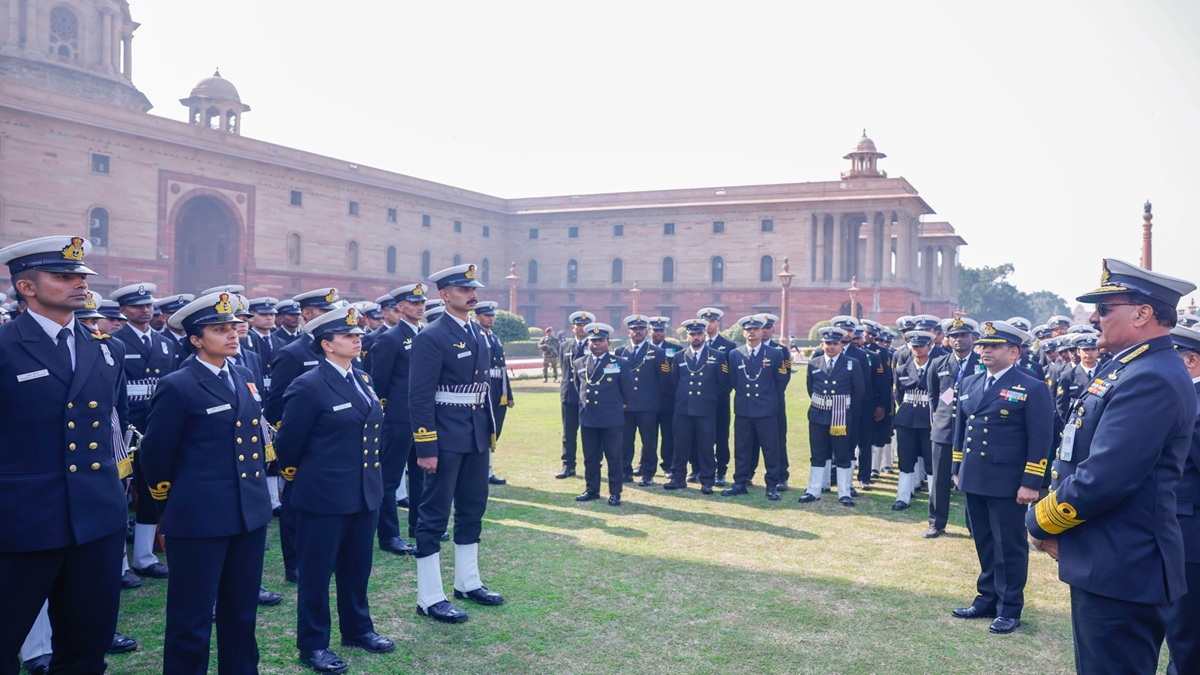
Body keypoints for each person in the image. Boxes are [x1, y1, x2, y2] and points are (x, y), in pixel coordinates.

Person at [1026, 260, 1197, 671]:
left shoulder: (1151, 376)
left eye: (1104, 308)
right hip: (1108, 558)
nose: (1092, 317)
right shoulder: (1131, 366)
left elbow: (1104, 477)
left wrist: (1039, 521)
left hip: (1125, 564)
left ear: (1142, 314)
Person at [0, 236, 129, 675]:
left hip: (96, 520)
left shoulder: (105, 349)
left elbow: (111, 426)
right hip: (22, 522)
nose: (79, 284)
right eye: (63, 276)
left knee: (86, 648)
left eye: (81, 276)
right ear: (27, 288)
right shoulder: (5, 346)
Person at [139, 291, 274, 673]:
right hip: (199, 516)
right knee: (192, 619)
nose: (232, 335)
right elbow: (155, 455)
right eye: (219, 329)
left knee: (241, 611)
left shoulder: (244, 374)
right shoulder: (178, 384)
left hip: (248, 512)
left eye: (233, 327)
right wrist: (173, 504)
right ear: (196, 339)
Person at [275, 306, 395, 673]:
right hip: (324, 495)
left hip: (363, 492)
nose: (357, 339)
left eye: (358, 334)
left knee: (357, 568)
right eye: (347, 336)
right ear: (326, 344)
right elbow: (288, 445)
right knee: (315, 574)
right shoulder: (308, 385)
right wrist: (304, 481)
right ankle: (313, 644)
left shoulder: (362, 377)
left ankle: (358, 629)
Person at [409, 264, 504, 623]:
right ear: (445, 295)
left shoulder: (478, 334)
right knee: (433, 516)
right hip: (445, 438)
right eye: (464, 290)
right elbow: (418, 397)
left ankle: (468, 581)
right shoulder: (431, 337)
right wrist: (426, 447)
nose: (472, 294)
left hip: (475, 435)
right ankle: (429, 596)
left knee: (472, 509)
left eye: (473, 289)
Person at [951, 321, 1053, 635]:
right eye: (982, 346)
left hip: (1008, 482)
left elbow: (1041, 438)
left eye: (993, 347)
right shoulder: (969, 382)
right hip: (975, 477)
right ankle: (986, 598)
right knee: (982, 539)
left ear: (1013, 351)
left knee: (1009, 546)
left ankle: (1010, 608)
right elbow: (961, 431)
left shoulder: (1031, 386)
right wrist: (957, 469)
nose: (984, 351)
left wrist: (1031, 482)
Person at [265, 288, 342, 583]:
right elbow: (277, 404)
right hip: (302, 441)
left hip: (332, 441)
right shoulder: (292, 353)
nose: (332, 318)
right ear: (307, 314)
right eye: (325, 312)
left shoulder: (340, 348)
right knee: (295, 503)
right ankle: (293, 562)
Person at [110, 281, 179, 580]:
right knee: (121, 494)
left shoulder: (166, 343)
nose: (145, 310)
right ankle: (120, 564)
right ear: (123, 310)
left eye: (148, 305)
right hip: (129, 425)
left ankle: (144, 557)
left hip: (157, 424)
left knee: (152, 490)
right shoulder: (115, 341)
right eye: (138, 306)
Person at [368, 283, 427, 556]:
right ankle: (389, 535)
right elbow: (379, 383)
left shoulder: (426, 335)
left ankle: (419, 525)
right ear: (400, 307)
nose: (420, 306)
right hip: (397, 420)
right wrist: (386, 418)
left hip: (423, 418)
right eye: (413, 303)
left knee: (421, 474)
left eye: (422, 302)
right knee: (390, 479)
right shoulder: (389, 339)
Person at [925, 317, 980, 538]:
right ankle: (936, 523)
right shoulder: (939, 363)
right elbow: (933, 395)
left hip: (972, 429)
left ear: (973, 338)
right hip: (945, 428)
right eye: (954, 336)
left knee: (971, 480)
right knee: (939, 479)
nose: (958, 340)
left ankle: (974, 525)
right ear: (948, 339)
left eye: (963, 335)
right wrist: (939, 417)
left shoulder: (982, 363)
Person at [722, 315, 788, 501]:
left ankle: (772, 485)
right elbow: (733, 381)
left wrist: (768, 401)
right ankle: (740, 483)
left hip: (766, 410)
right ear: (744, 332)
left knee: (770, 448)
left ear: (761, 332)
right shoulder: (735, 354)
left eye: (755, 329)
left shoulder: (774, 354)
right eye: (748, 330)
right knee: (742, 448)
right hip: (744, 409)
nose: (752, 332)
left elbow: (780, 381)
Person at [1166, 325, 1200, 675]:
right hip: (1174, 524)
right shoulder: (1183, 397)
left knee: (1186, 631)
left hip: (1190, 531)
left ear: (1191, 361)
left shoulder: (1194, 404)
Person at [664, 319, 729, 494]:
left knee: (706, 446)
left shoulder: (717, 356)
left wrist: (709, 397)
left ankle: (707, 480)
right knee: (681, 445)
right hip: (683, 408)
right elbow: (674, 381)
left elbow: (722, 383)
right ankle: (678, 478)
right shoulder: (679, 356)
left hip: (705, 409)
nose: (695, 337)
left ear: (704, 335)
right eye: (692, 334)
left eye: (699, 334)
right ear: (687, 336)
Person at [801, 327, 864, 506]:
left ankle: (844, 492)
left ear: (841, 345)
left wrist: (843, 409)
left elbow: (858, 391)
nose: (831, 347)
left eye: (835, 343)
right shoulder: (814, 363)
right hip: (818, 414)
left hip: (841, 416)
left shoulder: (852, 363)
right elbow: (810, 387)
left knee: (843, 454)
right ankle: (814, 490)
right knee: (818, 453)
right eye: (828, 343)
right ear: (822, 344)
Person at [573, 322, 633, 505]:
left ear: (608, 342)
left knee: (614, 457)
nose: (596, 344)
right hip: (589, 417)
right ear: (588, 342)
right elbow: (579, 388)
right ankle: (592, 490)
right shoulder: (580, 363)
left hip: (611, 419)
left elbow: (628, 392)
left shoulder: (620, 363)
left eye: (600, 341)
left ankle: (615, 493)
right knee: (591, 457)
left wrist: (616, 408)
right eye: (593, 341)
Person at [617, 314, 669, 486]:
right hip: (626, 406)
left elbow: (664, 381)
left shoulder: (657, 352)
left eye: (640, 329)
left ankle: (648, 473)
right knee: (625, 441)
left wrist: (657, 405)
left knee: (649, 442)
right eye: (634, 329)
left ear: (647, 332)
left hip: (648, 406)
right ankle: (625, 471)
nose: (637, 332)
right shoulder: (620, 352)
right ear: (628, 332)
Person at [891, 330, 935, 511]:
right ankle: (903, 497)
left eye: (921, 346)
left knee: (931, 461)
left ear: (929, 346)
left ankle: (935, 499)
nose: (917, 349)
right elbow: (898, 394)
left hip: (929, 419)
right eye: (914, 346)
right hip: (907, 418)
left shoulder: (937, 367)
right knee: (906, 459)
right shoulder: (902, 369)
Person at [474, 301, 511, 486]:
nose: (491, 318)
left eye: (492, 315)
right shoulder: (476, 335)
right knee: (484, 431)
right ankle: (483, 471)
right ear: (477, 316)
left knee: (495, 431)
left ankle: (487, 470)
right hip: (483, 391)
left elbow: (502, 368)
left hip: (497, 391)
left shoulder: (493, 337)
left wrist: (508, 394)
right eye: (487, 315)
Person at [697, 308, 736, 486]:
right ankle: (698, 468)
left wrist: (719, 394)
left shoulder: (728, 346)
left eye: (712, 321)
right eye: (706, 321)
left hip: (720, 400)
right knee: (699, 435)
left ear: (718, 323)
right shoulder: (696, 342)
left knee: (721, 435)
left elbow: (730, 377)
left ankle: (721, 471)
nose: (709, 324)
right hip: (699, 400)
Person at [555, 311, 593, 479]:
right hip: (568, 395)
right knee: (568, 433)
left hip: (587, 396)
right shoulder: (565, 346)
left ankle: (591, 466)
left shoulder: (595, 345)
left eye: (585, 325)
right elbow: (564, 370)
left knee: (589, 434)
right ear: (573, 328)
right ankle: (568, 465)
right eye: (579, 325)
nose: (582, 328)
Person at [648, 316, 682, 478]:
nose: (658, 333)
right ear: (650, 332)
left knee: (669, 435)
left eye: (661, 330)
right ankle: (646, 464)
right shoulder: (644, 349)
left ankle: (668, 465)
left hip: (669, 400)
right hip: (648, 401)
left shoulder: (676, 349)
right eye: (655, 330)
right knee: (649, 436)